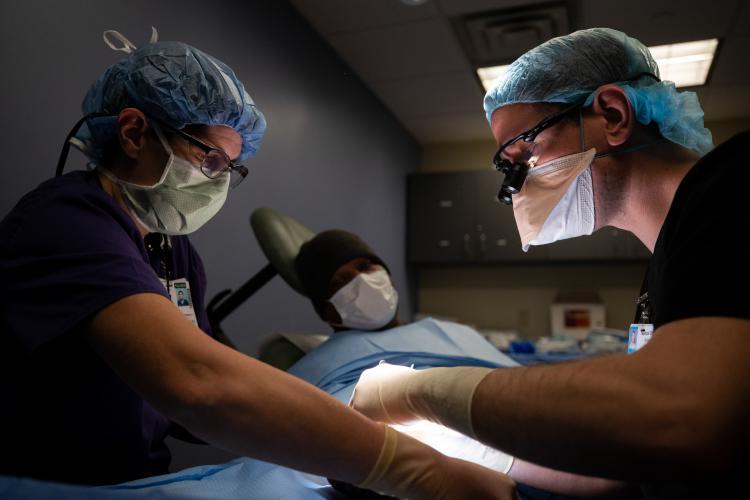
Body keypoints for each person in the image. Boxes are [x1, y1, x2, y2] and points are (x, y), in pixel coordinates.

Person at [0, 30, 515, 499]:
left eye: (231, 168)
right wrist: (404, 465)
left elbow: (198, 375)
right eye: (211, 161)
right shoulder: (65, 224)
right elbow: (196, 381)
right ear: (134, 134)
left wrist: (317, 419)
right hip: (49, 479)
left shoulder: (172, 248)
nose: (220, 182)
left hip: (136, 473)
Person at [350, 27, 750, 499]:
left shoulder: (734, 183)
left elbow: (683, 416)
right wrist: (485, 451)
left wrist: (429, 393)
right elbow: (632, 459)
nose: (517, 186)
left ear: (613, 115)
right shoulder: (666, 265)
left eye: (524, 155)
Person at [291, 229, 636, 499]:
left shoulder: (444, 329)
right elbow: (331, 420)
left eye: (365, 267)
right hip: (500, 444)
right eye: (340, 283)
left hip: (528, 405)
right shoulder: (328, 362)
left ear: (388, 275)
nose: (361, 282)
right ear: (325, 310)